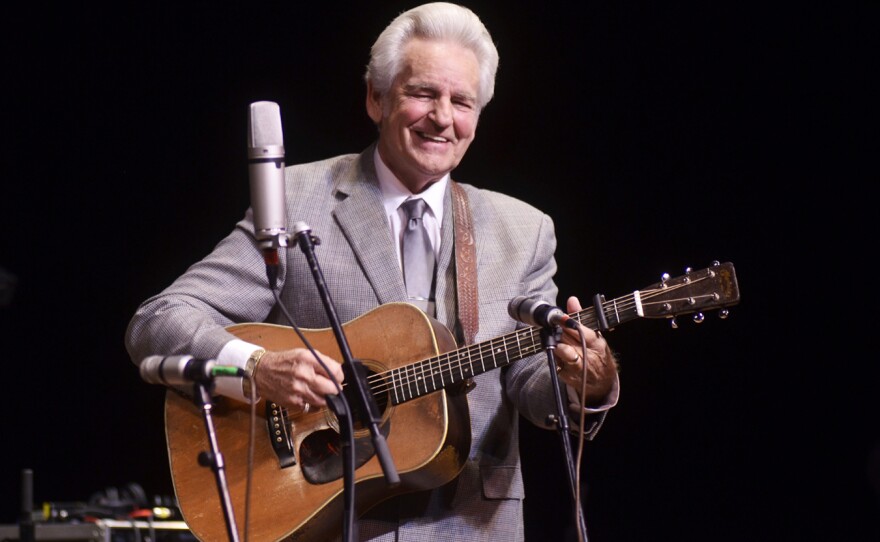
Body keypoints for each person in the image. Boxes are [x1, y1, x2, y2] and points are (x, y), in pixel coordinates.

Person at [125, 2, 619, 540]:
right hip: (329, 520)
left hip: (472, 525)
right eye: (423, 94)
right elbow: (160, 319)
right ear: (375, 98)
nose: (443, 117)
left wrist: (586, 382)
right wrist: (256, 367)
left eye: (462, 102)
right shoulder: (296, 198)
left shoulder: (522, 229)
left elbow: (530, 383)